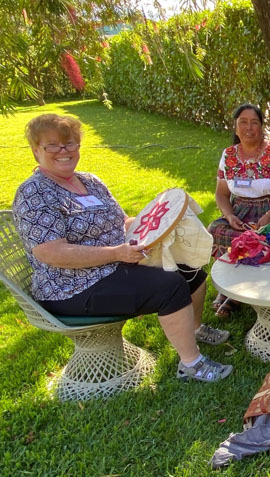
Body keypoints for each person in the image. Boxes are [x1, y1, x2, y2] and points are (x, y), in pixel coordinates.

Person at [12, 114, 233, 383]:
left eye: (70, 143)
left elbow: (123, 220)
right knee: (169, 285)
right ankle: (191, 365)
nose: (64, 151)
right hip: (70, 287)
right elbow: (50, 253)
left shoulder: (90, 181)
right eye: (53, 145)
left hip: (113, 266)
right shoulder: (34, 192)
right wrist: (116, 253)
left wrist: (155, 224)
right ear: (36, 151)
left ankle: (195, 329)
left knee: (190, 269)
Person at [208, 103, 270, 317]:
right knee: (215, 231)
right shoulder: (228, 155)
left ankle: (241, 292)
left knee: (259, 237)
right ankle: (230, 287)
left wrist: (268, 217)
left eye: (254, 122)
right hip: (239, 211)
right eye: (243, 122)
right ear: (235, 127)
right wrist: (229, 216)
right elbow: (221, 193)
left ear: (262, 126)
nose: (249, 128)